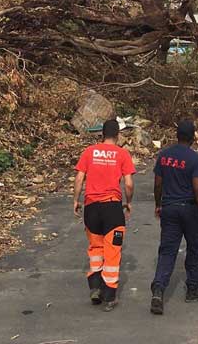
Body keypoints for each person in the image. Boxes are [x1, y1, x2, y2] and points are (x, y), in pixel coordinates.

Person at [150, 120, 198, 316]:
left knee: (168, 250)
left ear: (177, 135)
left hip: (169, 208)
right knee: (195, 247)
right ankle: (193, 289)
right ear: (193, 137)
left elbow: (158, 184)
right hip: (189, 209)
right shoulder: (194, 160)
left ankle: (159, 290)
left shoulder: (164, 156)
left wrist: (158, 204)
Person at [73, 119, 136, 312]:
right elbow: (129, 184)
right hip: (112, 209)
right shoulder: (122, 154)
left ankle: (94, 286)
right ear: (118, 135)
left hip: (91, 208)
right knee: (113, 251)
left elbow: (79, 177)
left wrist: (76, 200)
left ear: (102, 134)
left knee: (96, 247)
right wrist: (128, 201)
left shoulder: (89, 151)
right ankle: (109, 296)